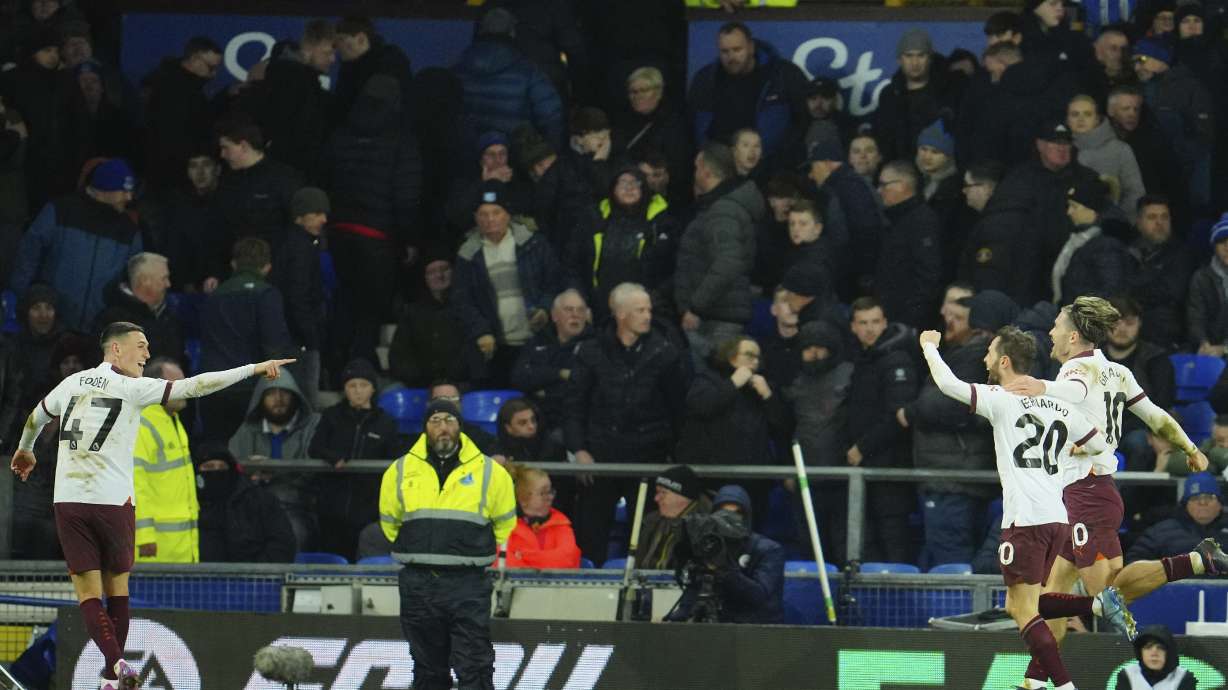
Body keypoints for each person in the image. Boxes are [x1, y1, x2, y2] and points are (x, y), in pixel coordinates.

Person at [9, 321, 293, 689]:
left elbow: (36, 416)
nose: (146, 354)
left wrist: (25, 448)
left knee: (88, 595)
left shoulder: (71, 383)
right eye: (140, 345)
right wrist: (254, 368)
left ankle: (114, 670)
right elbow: (198, 385)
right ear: (116, 349)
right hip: (113, 503)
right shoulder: (133, 388)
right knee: (118, 591)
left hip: (69, 501)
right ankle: (116, 669)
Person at [919, 324, 1131, 690]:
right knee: (1027, 603)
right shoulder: (1060, 405)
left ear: (1004, 361)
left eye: (989, 352)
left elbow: (948, 384)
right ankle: (1094, 609)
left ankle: (1064, 685)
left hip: (1025, 519)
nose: (984, 358)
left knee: (1021, 608)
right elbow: (1100, 445)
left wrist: (929, 347)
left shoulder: (1001, 398)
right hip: (1058, 519)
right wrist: (1075, 449)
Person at [1003, 297, 1220, 644]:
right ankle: (1043, 671)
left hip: (1087, 492)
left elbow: (1074, 389)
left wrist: (1042, 386)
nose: (1051, 332)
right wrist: (1190, 448)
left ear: (1073, 336)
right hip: (1084, 493)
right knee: (1051, 592)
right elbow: (1156, 417)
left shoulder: (1075, 370)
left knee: (1108, 592)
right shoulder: (1118, 371)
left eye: (1056, 326)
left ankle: (1197, 560)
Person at [378, 397, 515, 690]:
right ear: (425, 427)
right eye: (435, 420)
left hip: (468, 583)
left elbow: (505, 524)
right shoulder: (400, 470)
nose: (443, 427)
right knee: (428, 669)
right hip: (418, 582)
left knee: (475, 666)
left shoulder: (491, 472)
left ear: (460, 426)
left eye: (450, 420)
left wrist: (467, 548)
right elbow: (389, 522)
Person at [565, 282, 688, 563]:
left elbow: (678, 410)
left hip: (648, 458)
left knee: (645, 536)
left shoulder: (665, 353)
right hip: (599, 458)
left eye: (648, 310)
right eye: (640, 310)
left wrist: (672, 457)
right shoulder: (590, 351)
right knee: (591, 533)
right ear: (620, 314)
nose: (647, 316)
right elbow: (574, 405)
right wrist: (579, 449)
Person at [320, 73, 421, 368]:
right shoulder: (401, 139)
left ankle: (334, 367)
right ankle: (360, 371)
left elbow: (325, 179)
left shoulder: (340, 135)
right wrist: (408, 238)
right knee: (370, 309)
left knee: (343, 301)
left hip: (339, 232)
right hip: (378, 237)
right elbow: (406, 195)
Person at [899, 293, 995, 569]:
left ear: (977, 324)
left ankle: (960, 599)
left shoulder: (974, 356)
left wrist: (912, 410)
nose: (949, 322)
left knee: (952, 560)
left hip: (953, 475)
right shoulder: (960, 353)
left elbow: (950, 404)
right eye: (948, 316)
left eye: (958, 318)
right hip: (955, 473)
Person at [10, 158, 143, 332]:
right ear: (104, 189)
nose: (129, 197)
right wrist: (22, 302)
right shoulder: (60, 211)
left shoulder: (129, 230)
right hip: (52, 328)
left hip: (99, 331)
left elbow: (134, 279)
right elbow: (27, 257)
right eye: (123, 191)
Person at [452, 181, 563, 386]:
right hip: (493, 347)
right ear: (475, 218)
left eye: (496, 212)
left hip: (536, 341)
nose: (490, 219)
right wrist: (481, 331)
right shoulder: (468, 254)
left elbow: (554, 283)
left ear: (508, 214)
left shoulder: (534, 244)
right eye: (483, 214)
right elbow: (462, 300)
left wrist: (545, 309)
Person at [309, 359, 405, 562]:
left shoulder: (386, 423)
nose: (358, 391)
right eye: (352, 385)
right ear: (344, 389)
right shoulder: (331, 416)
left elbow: (395, 459)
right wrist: (332, 456)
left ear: (373, 388)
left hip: (369, 507)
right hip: (331, 507)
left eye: (363, 385)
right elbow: (314, 448)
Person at [197, 238, 294, 440]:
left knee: (216, 449)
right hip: (250, 389)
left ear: (234, 264)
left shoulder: (214, 296)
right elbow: (274, 345)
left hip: (213, 387)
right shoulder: (267, 295)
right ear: (267, 267)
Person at [846, 297, 918, 563]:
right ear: (853, 327)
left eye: (875, 322)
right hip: (868, 466)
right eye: (863, 323)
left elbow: (897, 416)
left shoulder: (897, 359)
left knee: (893, 541)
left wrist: (861, 448)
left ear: (885, 323)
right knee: (869, 542)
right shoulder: (863, 359)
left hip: (891, 467)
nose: (870, 329)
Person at [675, 142, 762, 359]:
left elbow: (728, 262)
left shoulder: (723, 210)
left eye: (696, 168)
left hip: (715, 321)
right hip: (717, 315)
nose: (694, 173)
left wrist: (696, 307)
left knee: (713, 376)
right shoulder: (719, 206)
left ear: (705, 170)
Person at [686, 22, 810, 166]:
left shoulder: (783, 74)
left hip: (771, 164)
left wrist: (778, 159)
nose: (731, 57)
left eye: (737, 49)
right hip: (719, 164)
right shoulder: (705, 79)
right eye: (725, 51)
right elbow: (693, 125)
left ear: (751, 47)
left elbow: (803, 121)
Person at [569, 166, 677, 325]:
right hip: (598, 308)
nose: (629, 188)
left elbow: (676, 268)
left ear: (644, 188)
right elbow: (573, 263)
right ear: (612, 188)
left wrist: (652, 299)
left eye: (635, 183)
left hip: (647, 310)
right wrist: (580, 300)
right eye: (623, 183)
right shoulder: (594, 218)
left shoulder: (662, 222)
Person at [228, 368, 320, 551]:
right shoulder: (247, 430)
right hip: (252, 506)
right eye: (271, 393)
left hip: (296, 506)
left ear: (295, 396)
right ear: (260, 399)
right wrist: (250, 474)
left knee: (293, 536)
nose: (278, 399)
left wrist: (273, 472)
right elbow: (231, 467)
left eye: (284, 392)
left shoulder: (313, 425)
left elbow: (313, 471)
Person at [667, 484, 785, 624]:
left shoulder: (769, 550)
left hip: (756, 629)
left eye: (737, 513)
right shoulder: (709, 546)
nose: (729, 519)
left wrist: (725, 569)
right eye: (723, 513)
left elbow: (758, 596)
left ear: (747, 516)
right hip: (718, 625)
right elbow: (696, 586)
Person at [452, 8, 564, 147]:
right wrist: (548, 153)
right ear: (512, 32)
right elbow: (551, 116)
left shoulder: (458, 68)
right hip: (516, 153)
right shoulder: (528, 70)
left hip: (471, 153)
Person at [133, 358, 197, 564]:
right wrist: (144, 536)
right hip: (154, 547)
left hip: (181, 544)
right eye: (178, 384)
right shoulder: (142, 425)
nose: (186, 389)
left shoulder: (172, 421)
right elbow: (136, 485)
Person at [140, 36, 221, 193]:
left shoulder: (178, 83)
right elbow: (175, 132)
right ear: (195, 59)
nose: (214, 74)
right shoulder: (172, 89)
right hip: (173, 173)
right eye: (211, 67)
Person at [873, 29, 966, 162]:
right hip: (902, 167)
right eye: (909, 56)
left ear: (930, 59)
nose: (915, 63)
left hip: (943, 165)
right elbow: (884, 138)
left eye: (921, 55)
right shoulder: (889, 95)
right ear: (899, 60)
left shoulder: (952, 90)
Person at [214, 117, 304, 253]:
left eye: (226, 148)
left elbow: (301, 226)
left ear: (243, 146)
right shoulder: (227, 182)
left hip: (276, 260)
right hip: (236, 261)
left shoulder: (284, 178)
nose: (222, 154)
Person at [271, 187, 328, 404]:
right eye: (317, 213)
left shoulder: (294, 243)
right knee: (306, 404)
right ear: (300, 216)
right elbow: (299, 296)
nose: (324, 219)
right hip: (300, 342)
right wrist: (311, 337)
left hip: (292, 337)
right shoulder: (301, 248)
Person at [195, 444, 296, 563]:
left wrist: (255, 570)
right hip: (197, 573)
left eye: (222, 467)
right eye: (209, 467)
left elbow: (282, 543)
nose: (216, 471)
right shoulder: (187, 503)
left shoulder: (260, 499)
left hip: (255, 573)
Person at [510, 289, 592, 432]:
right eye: (569, 310)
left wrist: (545, 390)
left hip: (576, 420)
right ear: (554, 315)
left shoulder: (595, 345)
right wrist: (559, 373)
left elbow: (583, 385)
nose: (575, 315)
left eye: (580, 310)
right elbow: (519, 377)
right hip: (536, 417)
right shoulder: (538, 341)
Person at [874, 160, 942, 329]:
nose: (879, 190)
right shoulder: (896, 219)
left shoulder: (921, 222)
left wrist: (911, 317)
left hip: (909, 321)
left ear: (902, 186)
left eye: (884, 185)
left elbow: (928, 275)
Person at [388, 249, 469, 388]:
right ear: (424, 278)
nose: (439, 275)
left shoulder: (468, 307)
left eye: (444, 269)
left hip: (461, 384)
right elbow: (398, 355)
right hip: (422, 386)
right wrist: (419, 379)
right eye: (432, 272)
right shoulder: (412, 313)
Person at [91, 252, 185, 368]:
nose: (168, 284)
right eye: (164, 278)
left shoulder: (170, 318)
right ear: (145, 281)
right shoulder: (112, 321)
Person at [1126, 196, 1192, 350]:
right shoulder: (1127, 252)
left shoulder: (1182, 254)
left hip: (1166, 337)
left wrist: (1132, 294)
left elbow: (1171, 292)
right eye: (1152, 217)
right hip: (1129, 332)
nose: (1159, 223)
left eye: (1164, 217)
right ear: (1139, 222)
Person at [1051, 178, 1130, 305]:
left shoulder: (1106, 246)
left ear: (1092, 210)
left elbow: (1111, 292)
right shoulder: (1081, 239)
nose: (1069, 212)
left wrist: (1076, 309)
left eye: (1074, 206)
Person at [1122, 472, 1228, 564]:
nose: (1203, 502)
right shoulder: (1161, 532)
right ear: (1186, 504)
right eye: (1195, 498)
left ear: (1220, 504)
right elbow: (1134, 561)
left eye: (1210, 497)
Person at [1067, 94, 1145, 218]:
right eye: (1075, 114)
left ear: (1097, 119)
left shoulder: (1120, 150)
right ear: (1067, 119)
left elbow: (1135, 193)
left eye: (1087, 114)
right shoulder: (1058, 150)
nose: (1081, 119)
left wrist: (1115, 220)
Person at [332, 15, 413, 128]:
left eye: (341, 39)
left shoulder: (389, 63)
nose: (336, 47)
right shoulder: (348, 69)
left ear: (361, 39)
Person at [503, 463, 581, 569]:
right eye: (543, 493)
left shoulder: (561, 525)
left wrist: (523, 555)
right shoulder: (504, 527)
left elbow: (568, 561)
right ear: (523, 498)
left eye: (550, 491)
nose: (550, 497)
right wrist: (546, 559)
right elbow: (504, 565)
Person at [637, 465, 712, 569]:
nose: (656, 498)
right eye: (657, 492)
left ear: (683, 497)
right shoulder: (652, 521)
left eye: (663, 493)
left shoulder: (707, 527)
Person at [1185, 214, 1228, 354]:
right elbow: (1196, 318)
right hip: (1211, 351)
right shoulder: (1201, 278)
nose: (1227, 247)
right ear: (1214, 246)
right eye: (1222, 242)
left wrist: (1225, 349)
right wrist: (1203, 343)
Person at [1115, 625, 1198, 690]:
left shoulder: (1184, 678)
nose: (1154, 653)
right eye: (1148, 647)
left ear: (1169, 653)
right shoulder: (1127, 675)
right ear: (1140, 652)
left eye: (1160, 648)